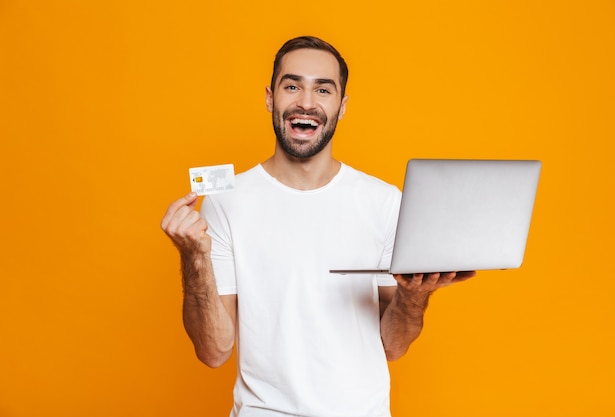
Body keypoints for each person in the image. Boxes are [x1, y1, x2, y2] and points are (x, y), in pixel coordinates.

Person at [161, 36, 475, 417]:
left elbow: (393, 346)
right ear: (269, 98)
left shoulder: (384, 200)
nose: (306, 102)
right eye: (292, 86)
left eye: (322, 89)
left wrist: (415, 295)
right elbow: (213, 351)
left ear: (341, 107)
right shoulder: (228, 200)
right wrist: (193, 257)